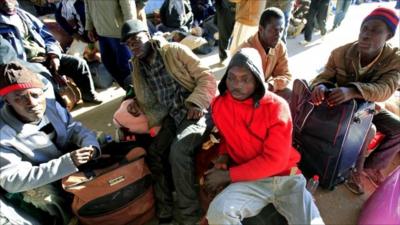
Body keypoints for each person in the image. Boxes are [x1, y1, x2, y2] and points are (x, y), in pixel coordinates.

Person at [204, 48, 324, 225]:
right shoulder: (219, 104)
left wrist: (228, 176)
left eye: (245, 79)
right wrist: (223, 156)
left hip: (286, 178)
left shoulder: (276, 107)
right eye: (231, 78)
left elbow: (275, 161)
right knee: (218, 213)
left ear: (258, 80)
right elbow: (226, 137)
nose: (237, 85)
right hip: (250, 180)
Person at [121, 19, 216, 225]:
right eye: (129, 44)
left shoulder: (173, 50)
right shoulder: (138, 66)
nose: (134, 46)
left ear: (147, 34)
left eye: (136, 39)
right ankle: (165, 207)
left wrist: (197, 103)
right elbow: (146, 92)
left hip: (198, 111)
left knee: (179, 151)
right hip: (173, 117)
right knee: (154, 152)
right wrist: (137, 102)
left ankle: (191, 215)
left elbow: (207, 77)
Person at [310, 7, 400, 194]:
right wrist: (321, 86)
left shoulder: (395, 60)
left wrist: (353, 91)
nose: (366, 35)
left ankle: (369, 168)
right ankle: (354, 169)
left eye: (375, 30)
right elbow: (323, 77)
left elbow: (385, 90)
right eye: (364, 28)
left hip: (371, 107)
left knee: (397, 129)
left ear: (388, 36)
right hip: (341, 106)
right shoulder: (340, 53)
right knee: (369, 129)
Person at [0, 62, 100, 223]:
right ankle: (69, 219)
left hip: (69, 160)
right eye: (19, 99)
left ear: (42, 91)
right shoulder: (2, 133)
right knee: (42, 197)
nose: (32, 103)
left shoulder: (51, 106)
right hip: (42, 177)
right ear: (7, 101)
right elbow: (12, 180)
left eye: (35, 95)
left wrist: (91, 146)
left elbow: (74, 128)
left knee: (102, 142)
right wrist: (66, 163)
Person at [0, 0, 101, 104]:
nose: (6, 2)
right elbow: (7, 58)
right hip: (25, 65)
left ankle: (89, 95)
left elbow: (48, 37)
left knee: (78, 64)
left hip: (45, 56)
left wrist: (54, 55)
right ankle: (59, 110)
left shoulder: (23, 15)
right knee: (46, 80)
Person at [238, 8, 292, 102]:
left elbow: (286, 76)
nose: (278, 35)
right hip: (246, 96)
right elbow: (241, 85)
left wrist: (270, 85)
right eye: (274, 30)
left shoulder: (279, 46)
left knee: (289, 95)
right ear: (261, 29)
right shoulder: (245, 51)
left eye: (281, 30)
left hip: (264, 90)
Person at [84, 0, 138, 90]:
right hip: (102, 33)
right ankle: (131, 92)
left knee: (127, 67)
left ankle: (138, 94)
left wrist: (130, 29)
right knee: (109, 64)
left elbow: (128, 6)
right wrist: (89, 26)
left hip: (120, 33)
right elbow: (87, 5)